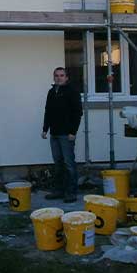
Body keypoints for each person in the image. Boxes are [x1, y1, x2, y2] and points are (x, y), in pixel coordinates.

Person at [41, 67, 82, 202]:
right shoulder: (51, 92)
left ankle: (71, 193)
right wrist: (45, 129)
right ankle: (58, 190)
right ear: (54, 77)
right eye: (57, 75)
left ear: (66, 77)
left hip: (67, 134)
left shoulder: (72, 92)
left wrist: (73, 132)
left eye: (62, 75)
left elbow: (77, 113)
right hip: (54, 134)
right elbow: (48, 111)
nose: (59, 78)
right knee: (58, 164)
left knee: (69, 164)